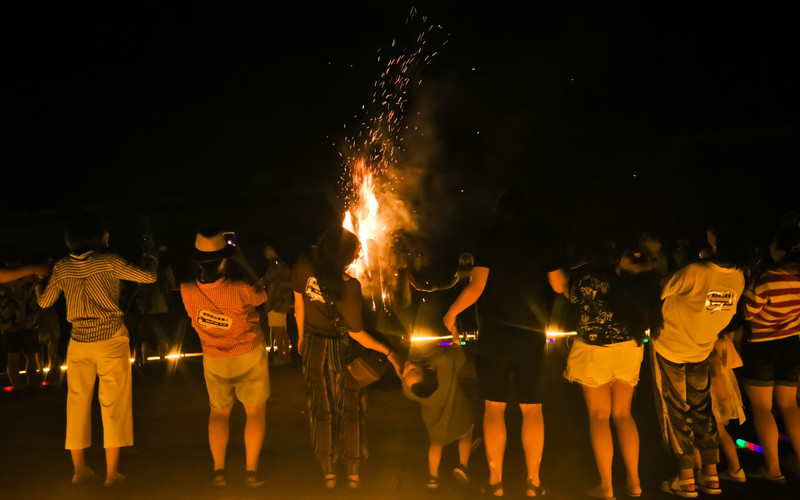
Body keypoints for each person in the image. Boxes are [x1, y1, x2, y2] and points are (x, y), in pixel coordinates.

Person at [443, 188, 565, 497]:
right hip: (532, 334)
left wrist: (451, 313)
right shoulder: (542, 237)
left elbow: (477, 286)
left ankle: (496, 482)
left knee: (494, 408)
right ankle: (534, 483)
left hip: (494, 333)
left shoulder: (489, 237)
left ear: (499, 212)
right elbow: (559, 284)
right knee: (532, 409)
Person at [36, 210, 158, 487]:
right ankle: (112, 473)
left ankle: (79, 470)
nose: (108, 236)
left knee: (76, 404)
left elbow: (44, 302)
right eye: (105, 233)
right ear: (98, 236)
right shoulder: (110, 261)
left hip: (78, 343)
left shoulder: (63, 267)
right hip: (111, 339)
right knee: (114, 405)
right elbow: (148, 277)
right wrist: (151, 253)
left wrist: (37, 281)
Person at [291, 225, 402, 489]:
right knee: (350, 409)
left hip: (314, 347)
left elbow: (298, 307)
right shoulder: (349, 286)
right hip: (343, 351)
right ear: (345, 257)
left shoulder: (302, 266)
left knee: (321, 409)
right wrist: (390, 352)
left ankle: (328, 472)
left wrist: (300, 338)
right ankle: (353, 472)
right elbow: (359, 334)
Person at [651, 223, 747, 497]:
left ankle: (685, 479)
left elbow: (657, 292)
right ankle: (711, 475)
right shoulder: (738, 277)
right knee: (703, 413)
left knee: (676, 413)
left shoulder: (694, 271)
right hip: (701, 350)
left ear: (717, 241)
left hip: (670, 348)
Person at [564, 249, 661, 499]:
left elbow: (564, 290)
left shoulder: (593, 282)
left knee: (599, 416)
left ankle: (606, 487)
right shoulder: (646, 286)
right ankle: (634, 482)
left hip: (595, 351)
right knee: (623, 414)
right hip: (629, 350)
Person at [180, 230, 270, 488]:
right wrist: (243, 263)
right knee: (254, 412)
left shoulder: (187, 291)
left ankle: (219, 471)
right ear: (223, 261)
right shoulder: (240, 288)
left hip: (213, 357)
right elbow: (262, 295)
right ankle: (251, 472)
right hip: (248, 353)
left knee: (218, 412)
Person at [740, 223, 800, 483]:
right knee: (790, 405)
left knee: (762, 408)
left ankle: (773, 469)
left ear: (782, 251)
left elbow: (747, 312)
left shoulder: (769, 278)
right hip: (793, 345)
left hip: (763, 345)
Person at [398, 342, 474, 489]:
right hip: (458, 411)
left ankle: (433, 477)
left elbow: (405, 381)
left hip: (434, 422)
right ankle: (463, 465)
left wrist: (403, 373)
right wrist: (453, 331)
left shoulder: (410, 391)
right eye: (408, 371)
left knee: (436, 444)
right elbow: (458, 353)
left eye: (409, 371)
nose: (406, 370)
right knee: (466, 434)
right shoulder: (444, 364)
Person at [692, 330, 747, 483]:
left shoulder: (710, 339)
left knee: (697, 431)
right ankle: (736, 469)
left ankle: (698, 472)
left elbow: (715, 369)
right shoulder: (725, 338)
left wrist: (721, 398)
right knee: (721, 431)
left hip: (711, 391)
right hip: (721, 390)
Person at [1, 255, 43, 390]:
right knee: (30, 356)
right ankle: (32, 385)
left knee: (12, 357)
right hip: (29, 321)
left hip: (9, 323)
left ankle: (17, 387)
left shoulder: (3, 277)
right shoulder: (31, 276)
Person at [262, 245, 293, 366]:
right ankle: (286, 355)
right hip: (285, 301)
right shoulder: (283, 264)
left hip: (276, 301)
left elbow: (272, 283)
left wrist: (268, 301)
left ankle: (281, 356)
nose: (265, 252)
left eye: (267, 249)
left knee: (277, 330)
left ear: (274, 250)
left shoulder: (274, 265)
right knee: (282, 330)